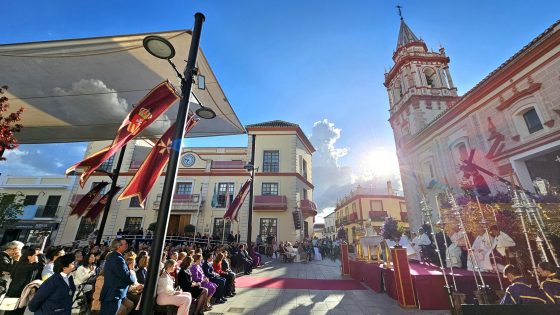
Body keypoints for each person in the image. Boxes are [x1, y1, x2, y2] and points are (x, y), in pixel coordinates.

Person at [99, 239, 135, 315]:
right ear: (118, 246)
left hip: (115, 294)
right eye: (125, 244)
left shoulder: (117, 257)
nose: (127, 245)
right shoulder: (117, 258)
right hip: (113, 294)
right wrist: (133, 278)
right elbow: (125, 276)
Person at [5, 247, 42, 315]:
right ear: (29, 257)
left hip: (22, 293)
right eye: (36, 255)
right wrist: (38, 261)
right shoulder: (23, 266)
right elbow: (40, 265)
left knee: (17, 312)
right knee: (10, 312)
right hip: (15, 293)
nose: (38, 257)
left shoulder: (30, 265)